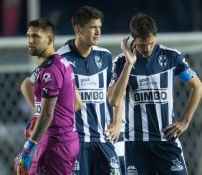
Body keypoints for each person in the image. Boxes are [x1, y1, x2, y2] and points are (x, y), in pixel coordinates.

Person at [109, 13, 202, 175]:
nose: (147, 49)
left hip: (166, 140)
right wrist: (129, 64)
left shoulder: (171, 57)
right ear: (133, 38)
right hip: (136, 144)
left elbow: (198, 87)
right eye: (142, 45)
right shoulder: (121, 63)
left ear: (155, 37)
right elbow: (114, 101)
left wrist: (185, 121)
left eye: (151, 43)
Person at [56, 6, 122, 174]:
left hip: (103, 139)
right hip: (75, 141)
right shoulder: (61, 59)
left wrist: (117, 122)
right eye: (93, 27)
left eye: (99, 27)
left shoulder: (105, 56)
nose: (98, 32)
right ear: (78, 29)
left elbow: (116, 93)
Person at [14, 18, 79, 175]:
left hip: (56, 145)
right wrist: (38, 114)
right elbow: (25, 85)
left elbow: (47, 114)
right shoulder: (55, 63)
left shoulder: (51, 69)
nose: (30, 41)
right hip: (57, 141)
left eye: (36, 37)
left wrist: (28, 148)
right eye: (28, 36)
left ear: (50, 40)